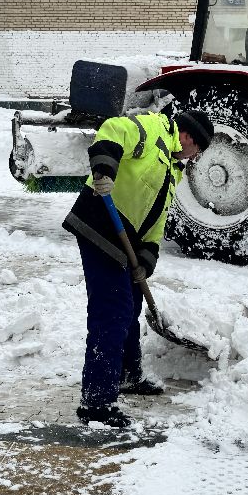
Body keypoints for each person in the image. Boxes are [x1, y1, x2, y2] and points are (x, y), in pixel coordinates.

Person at [62, 107, 214, 428]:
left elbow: (156, 221)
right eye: (197, 150)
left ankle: (128, 374)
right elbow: (114, 129)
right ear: (188, 137)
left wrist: (147, 258)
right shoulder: (154, 129)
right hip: (101, 223)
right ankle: (97, 402)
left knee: (130, 306)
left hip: (127, 239)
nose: (194, 157)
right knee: (113, 311)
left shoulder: (173, 169)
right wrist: (104, 168)